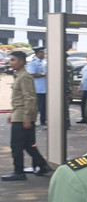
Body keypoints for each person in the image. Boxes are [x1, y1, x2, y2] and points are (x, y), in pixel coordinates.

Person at [2, 51, 51, 181]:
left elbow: (29, 98)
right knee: (28, 144)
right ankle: (42, 165)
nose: (10, 62)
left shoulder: (24, 77)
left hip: (23, 116)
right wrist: (13, 114)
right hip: (19, 114)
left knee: (16, 145)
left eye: (13, 60)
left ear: (21, 62)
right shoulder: (19, 75)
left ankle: (18, 172)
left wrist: (27, 118)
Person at [27, 46, 47, 127]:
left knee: (44, 107)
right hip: (37, 88)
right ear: (38, 53)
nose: (44, 54)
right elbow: (31, 74)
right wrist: (43, 75)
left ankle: (43, 121)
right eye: (42, 53)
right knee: (36, 107)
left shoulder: (43, 62)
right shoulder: (33, 63)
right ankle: (32, 121)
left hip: (44, 88)